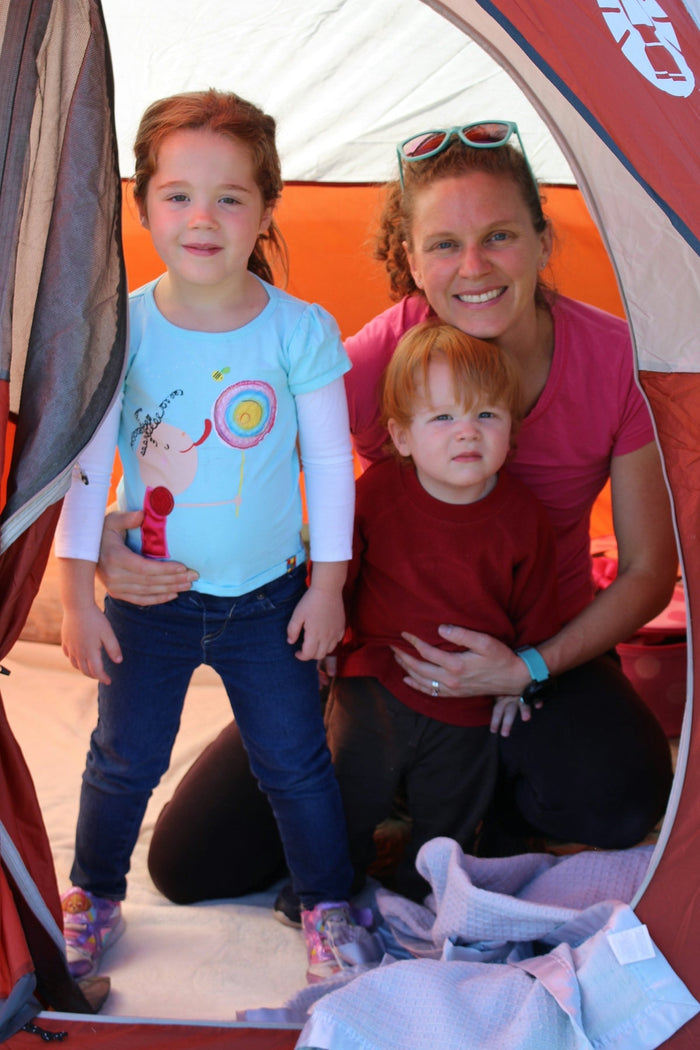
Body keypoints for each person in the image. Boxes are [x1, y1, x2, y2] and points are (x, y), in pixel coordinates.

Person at [101, 119, 675, 910]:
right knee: (190, 864)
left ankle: (454, 805)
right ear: (410, 259)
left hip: (542, 655)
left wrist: (529, 666)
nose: (472, 268)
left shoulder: (615, 361)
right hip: (380, 661)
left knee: (623, 800)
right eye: (443, 244)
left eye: (500, 236)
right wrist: (111, 527)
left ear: (544, 241)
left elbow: (650, 571)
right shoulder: (373, 359)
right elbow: (222, 450)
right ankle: (382, 768)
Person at [54, 88, 371, 985]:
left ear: (268, 207)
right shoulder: (121, 328)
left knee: (297, 765)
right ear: (143, 202)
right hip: (148, 602)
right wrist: (76, 593)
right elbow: (84, 469)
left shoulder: (299, 330)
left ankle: (326, 904)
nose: (203, 218)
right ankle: (94, 895)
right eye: (179, 195)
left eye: (231, 197)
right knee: (123, 763)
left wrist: (328, 584)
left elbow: (329, 465)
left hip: (270, 599)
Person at [325, 319, 561, 902]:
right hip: (374, 683)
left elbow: (537, 609)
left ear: (512, 430)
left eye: (486, 416)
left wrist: (519, 680)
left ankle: (421, 903)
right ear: (402, 436)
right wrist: (327, 649)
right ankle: (328, 891)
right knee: (346, 792)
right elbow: (338, 576)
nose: (467, 434)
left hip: (468, 705)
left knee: (449, 816)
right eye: (443, 417)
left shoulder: (524, 518)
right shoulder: (376, 493)